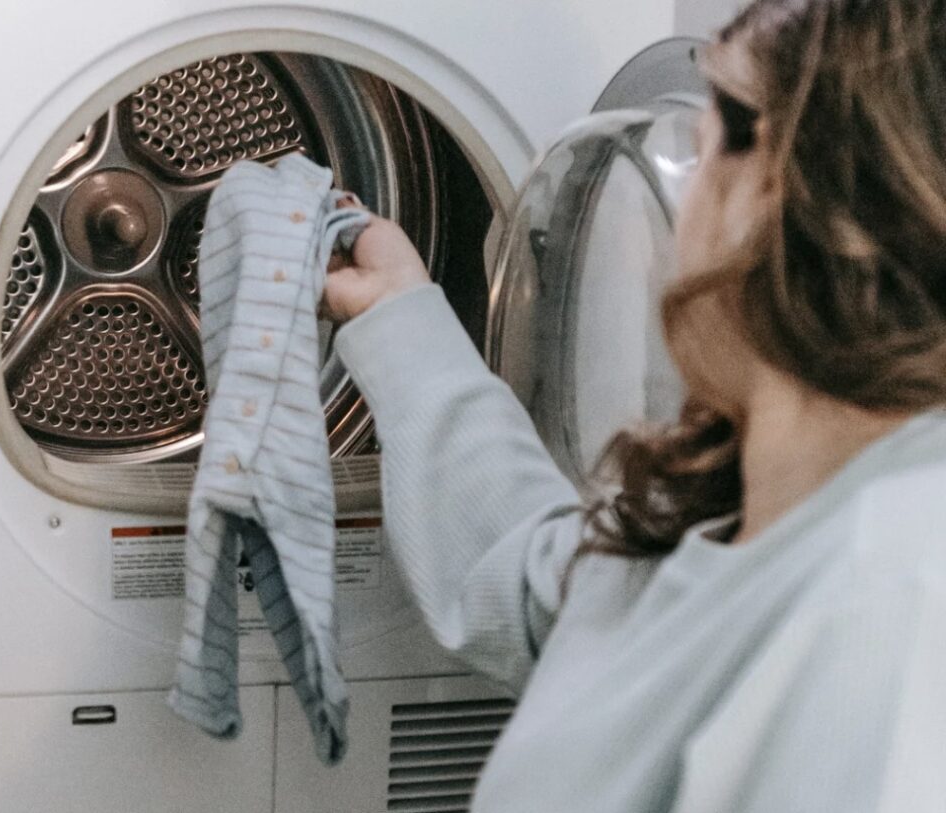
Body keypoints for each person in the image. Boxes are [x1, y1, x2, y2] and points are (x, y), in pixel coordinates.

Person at [322, 0, 946, 809]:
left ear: (778, 193)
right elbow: (545, 585)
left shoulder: (890, 601)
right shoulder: (745, 512)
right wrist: (399, 317)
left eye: (711, 120)